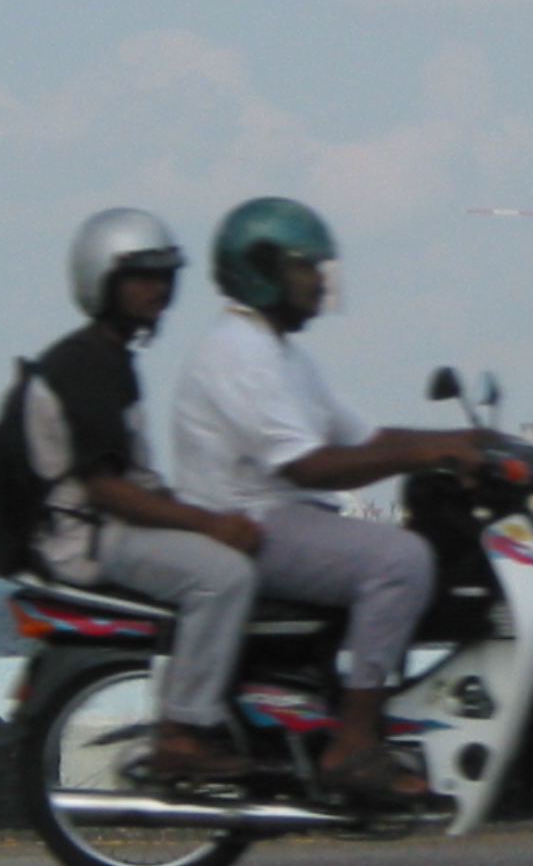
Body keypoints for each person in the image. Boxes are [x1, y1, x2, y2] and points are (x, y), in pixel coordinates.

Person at [171, 197, 495, 803]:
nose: (319, 280)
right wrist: (428, 455)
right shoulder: (239, 353)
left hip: (282, 515)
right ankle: (353, 741)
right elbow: (310, 465)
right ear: (263, 269)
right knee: (400, 560)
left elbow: (368, 439)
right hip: (250, 521)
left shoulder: (284, 354)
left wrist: (462, 441)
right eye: (305, 267)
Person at [26, 210, 264, 779]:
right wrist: (208, 526)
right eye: (140, 277)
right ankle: (184, 731)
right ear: (102, 282)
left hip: (104, 527)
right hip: (89, 538)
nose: (156, 289)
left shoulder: (106, 357)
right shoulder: (87, 366)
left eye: (163, 276)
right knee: (225, 576)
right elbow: (110, 491)